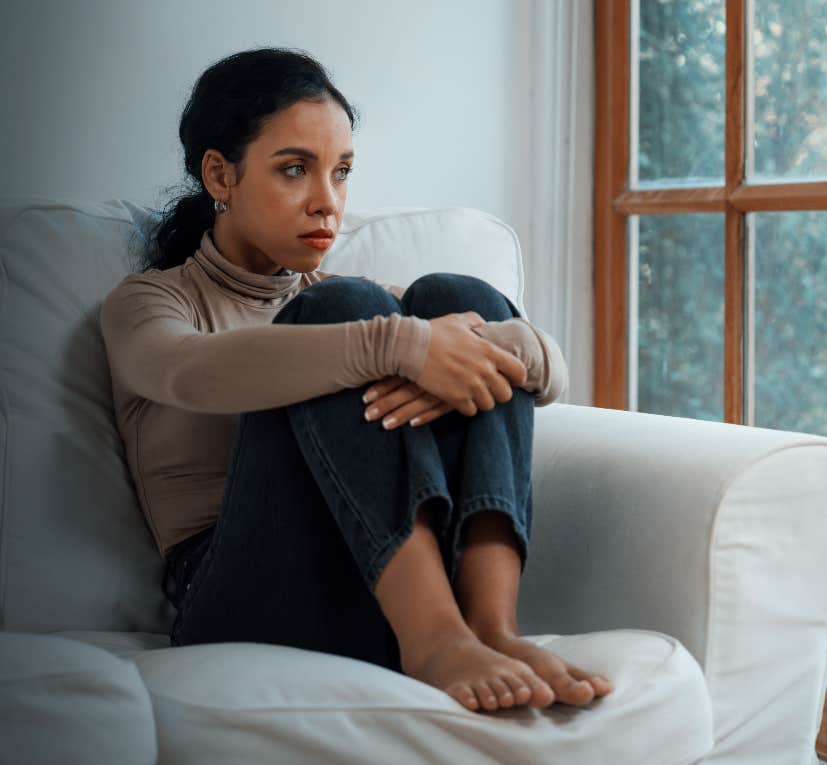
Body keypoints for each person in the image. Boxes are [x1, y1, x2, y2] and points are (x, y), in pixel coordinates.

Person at [98, 46, 612, 714]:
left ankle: (489, 627)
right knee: (340, 316)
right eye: (294, 171)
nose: (327, 203)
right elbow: (188, 373)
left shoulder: (356, 301)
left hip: (372, 586)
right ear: (220, 175)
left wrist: (459, 349)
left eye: (341, 172)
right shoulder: (151, 301)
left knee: (458, 294)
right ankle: (434, 640)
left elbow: (550, 371)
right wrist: (397, 346)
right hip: (237, 601)